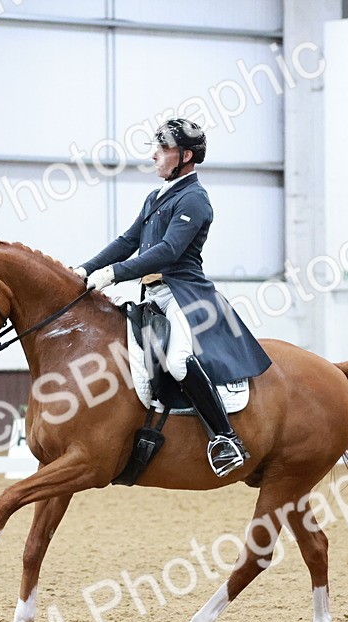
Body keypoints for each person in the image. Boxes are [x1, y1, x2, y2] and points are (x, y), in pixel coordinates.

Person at [72, 118, 272, 478]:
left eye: (162, 149)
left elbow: (168, 251)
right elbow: (126, 241)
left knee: (178, 360)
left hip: (185, 294)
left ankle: (225, 439)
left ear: (186, 156)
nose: (154, 155)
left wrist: (114, 274)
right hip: (152, 294)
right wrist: (84, 270)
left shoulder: (194, 198)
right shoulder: (157, 196)